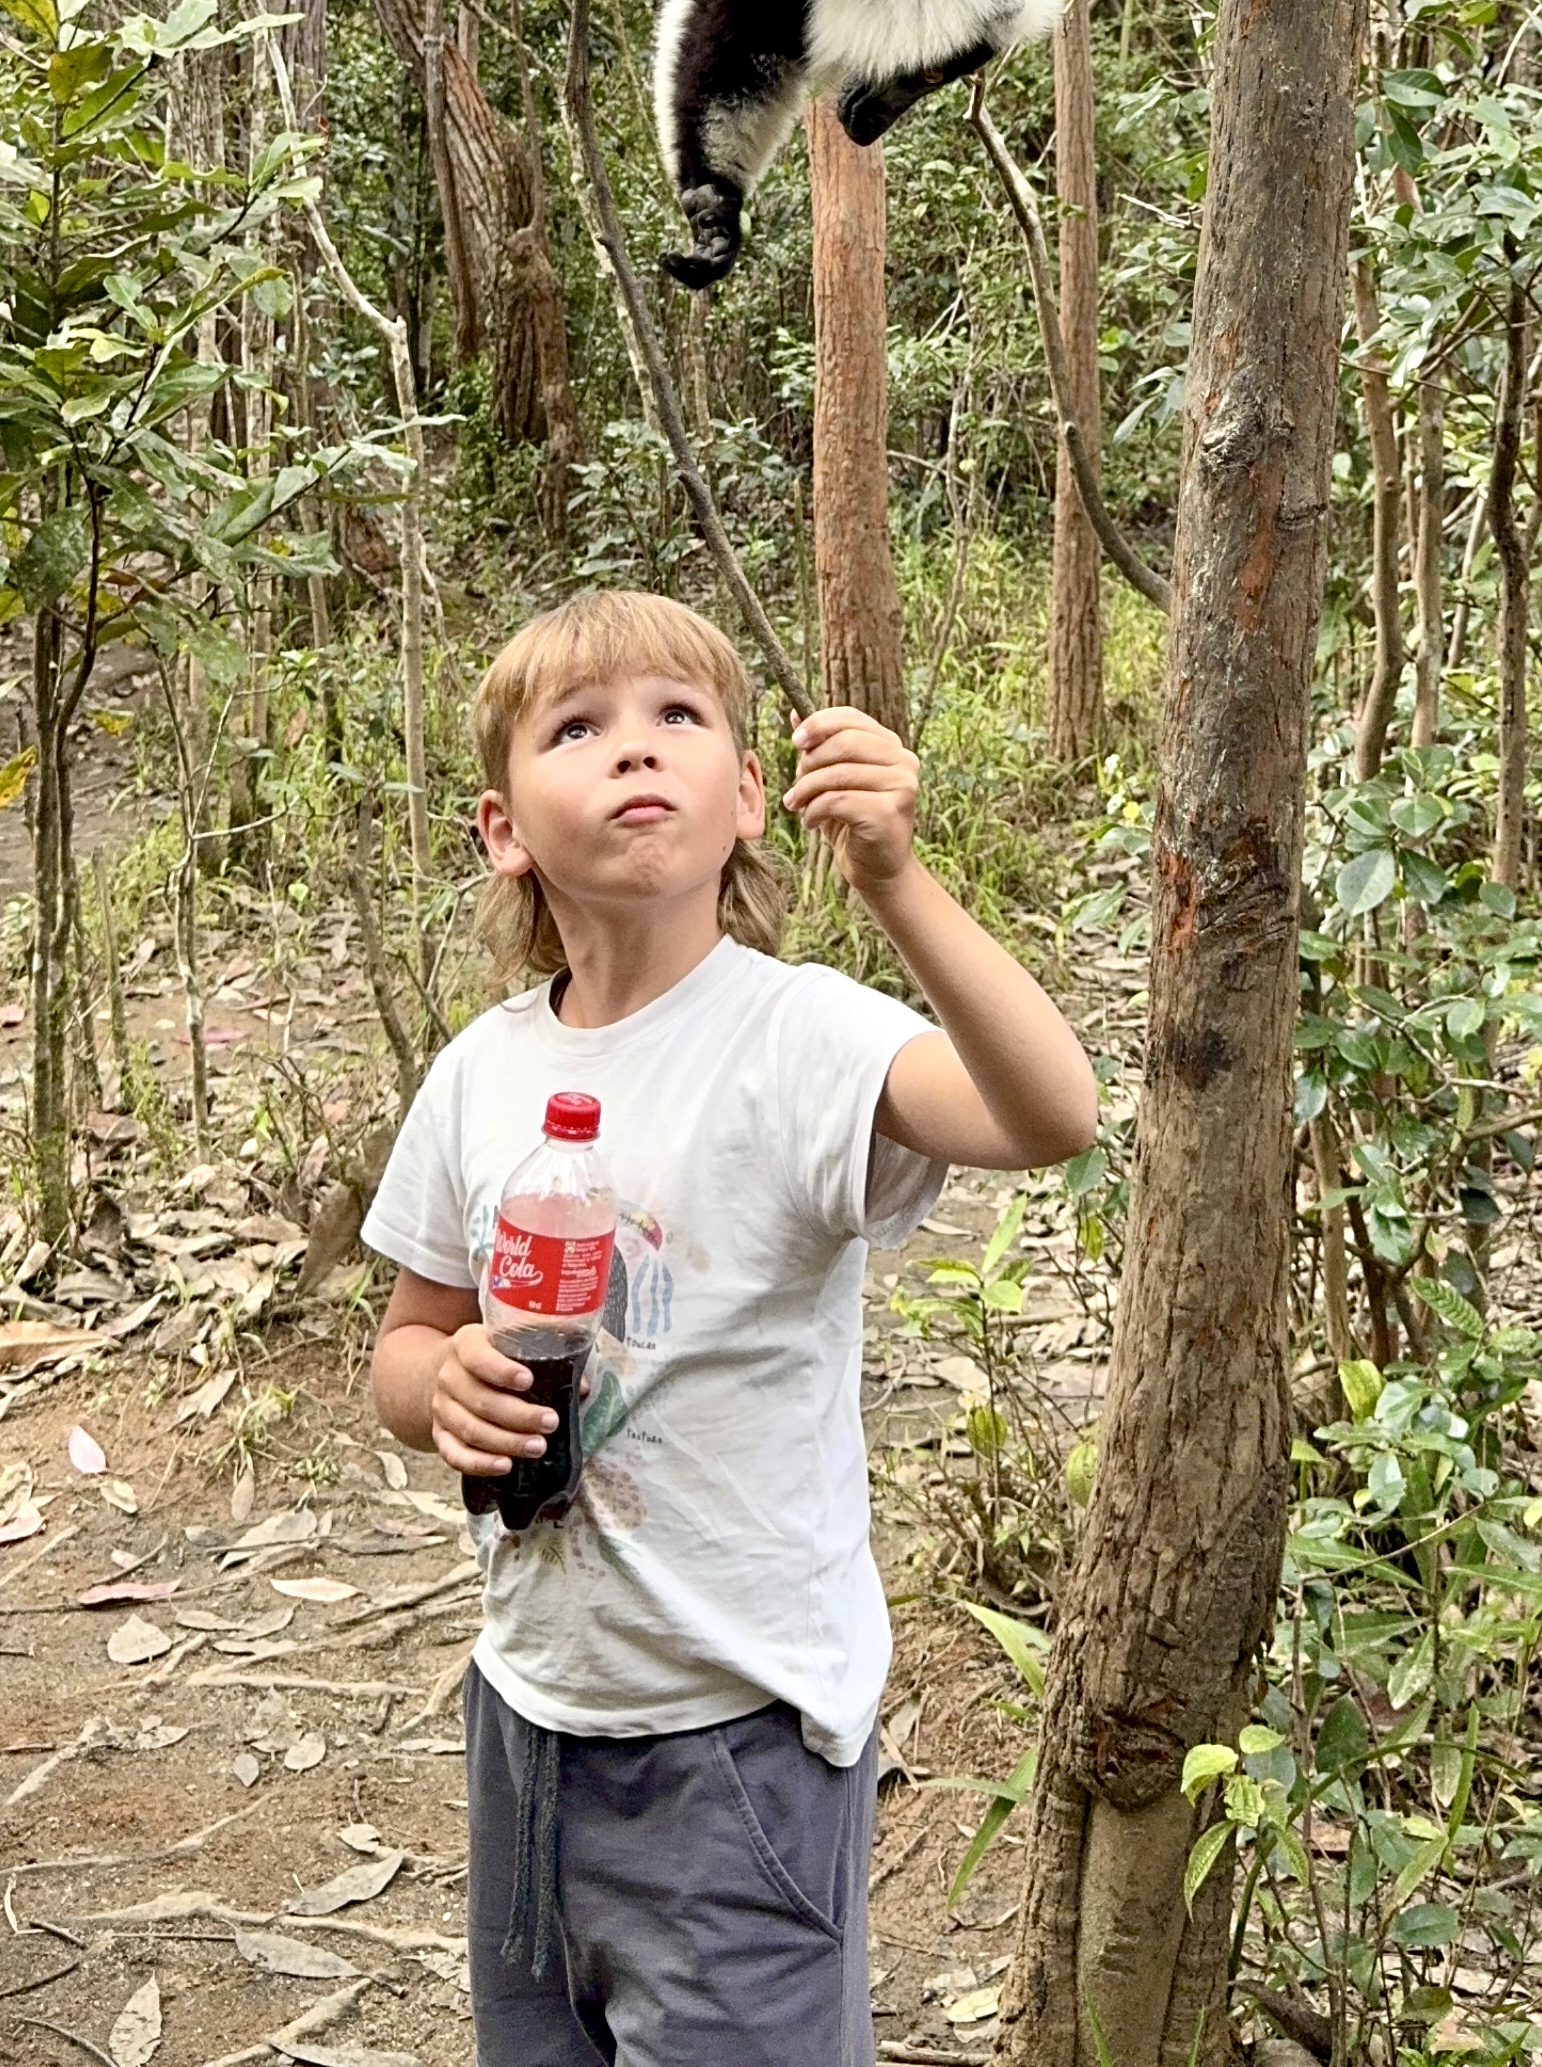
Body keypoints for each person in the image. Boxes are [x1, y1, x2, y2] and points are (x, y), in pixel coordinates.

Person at [363, 585, 1098, 2067]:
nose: (636, 750)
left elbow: (1051, 1113)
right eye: (580, 728)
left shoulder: (799, 1034)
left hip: (736, 1742)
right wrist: (439, 1383)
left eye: (679, 718)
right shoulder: (481, 1074)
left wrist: (898, 879)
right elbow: (404, 1342)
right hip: (529, 1716)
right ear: (504, 826)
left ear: (751, 796)